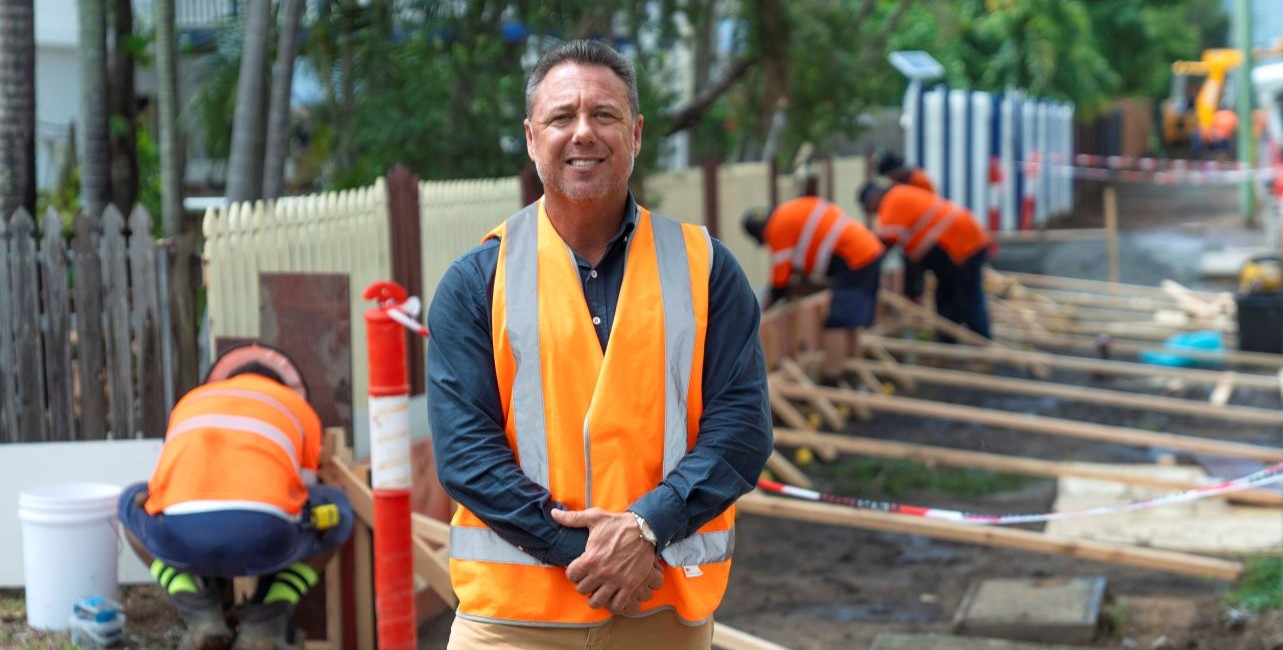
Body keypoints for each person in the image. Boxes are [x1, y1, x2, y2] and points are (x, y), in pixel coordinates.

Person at [427, 39, 772, 649]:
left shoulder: (706, 269)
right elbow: (466, 455)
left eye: (604, 115)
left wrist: (647, 529)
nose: (583, 131)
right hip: (510, 623)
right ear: (531, 137)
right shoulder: (477, 281)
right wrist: (592, 555)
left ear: (635, 134)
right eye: (562, 116)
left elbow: (741, 429)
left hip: (659, 618)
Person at [118, 343, 354, 650]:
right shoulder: (297, 408)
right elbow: (302, 491)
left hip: (182, 535)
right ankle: (266, 620)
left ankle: (198, 610)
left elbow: (165, 481)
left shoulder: (190, 401)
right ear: (281, 385)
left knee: (129, 502)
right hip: (265, 534)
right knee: (337, 511)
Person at [742, 198, 885, 384]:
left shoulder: (776, 229)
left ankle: (832, 378)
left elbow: (779, 284)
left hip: (854, 258)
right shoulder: (788, 214)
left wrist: (762, 312)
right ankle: (853, 372)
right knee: (850, 322)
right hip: (866, 251)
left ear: (760, 233)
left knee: (836, 324)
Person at [860, 181, 993, 340]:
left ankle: (983, 344)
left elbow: (882, 246)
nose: (873, 213)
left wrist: (865, 274)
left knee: (968, 298)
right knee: (946, 299)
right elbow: (909, 254)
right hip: (958, 244)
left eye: (869, 208)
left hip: (962, 244)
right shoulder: (899, 196)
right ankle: (948, 342)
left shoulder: (891, 202)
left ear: (873, 197)